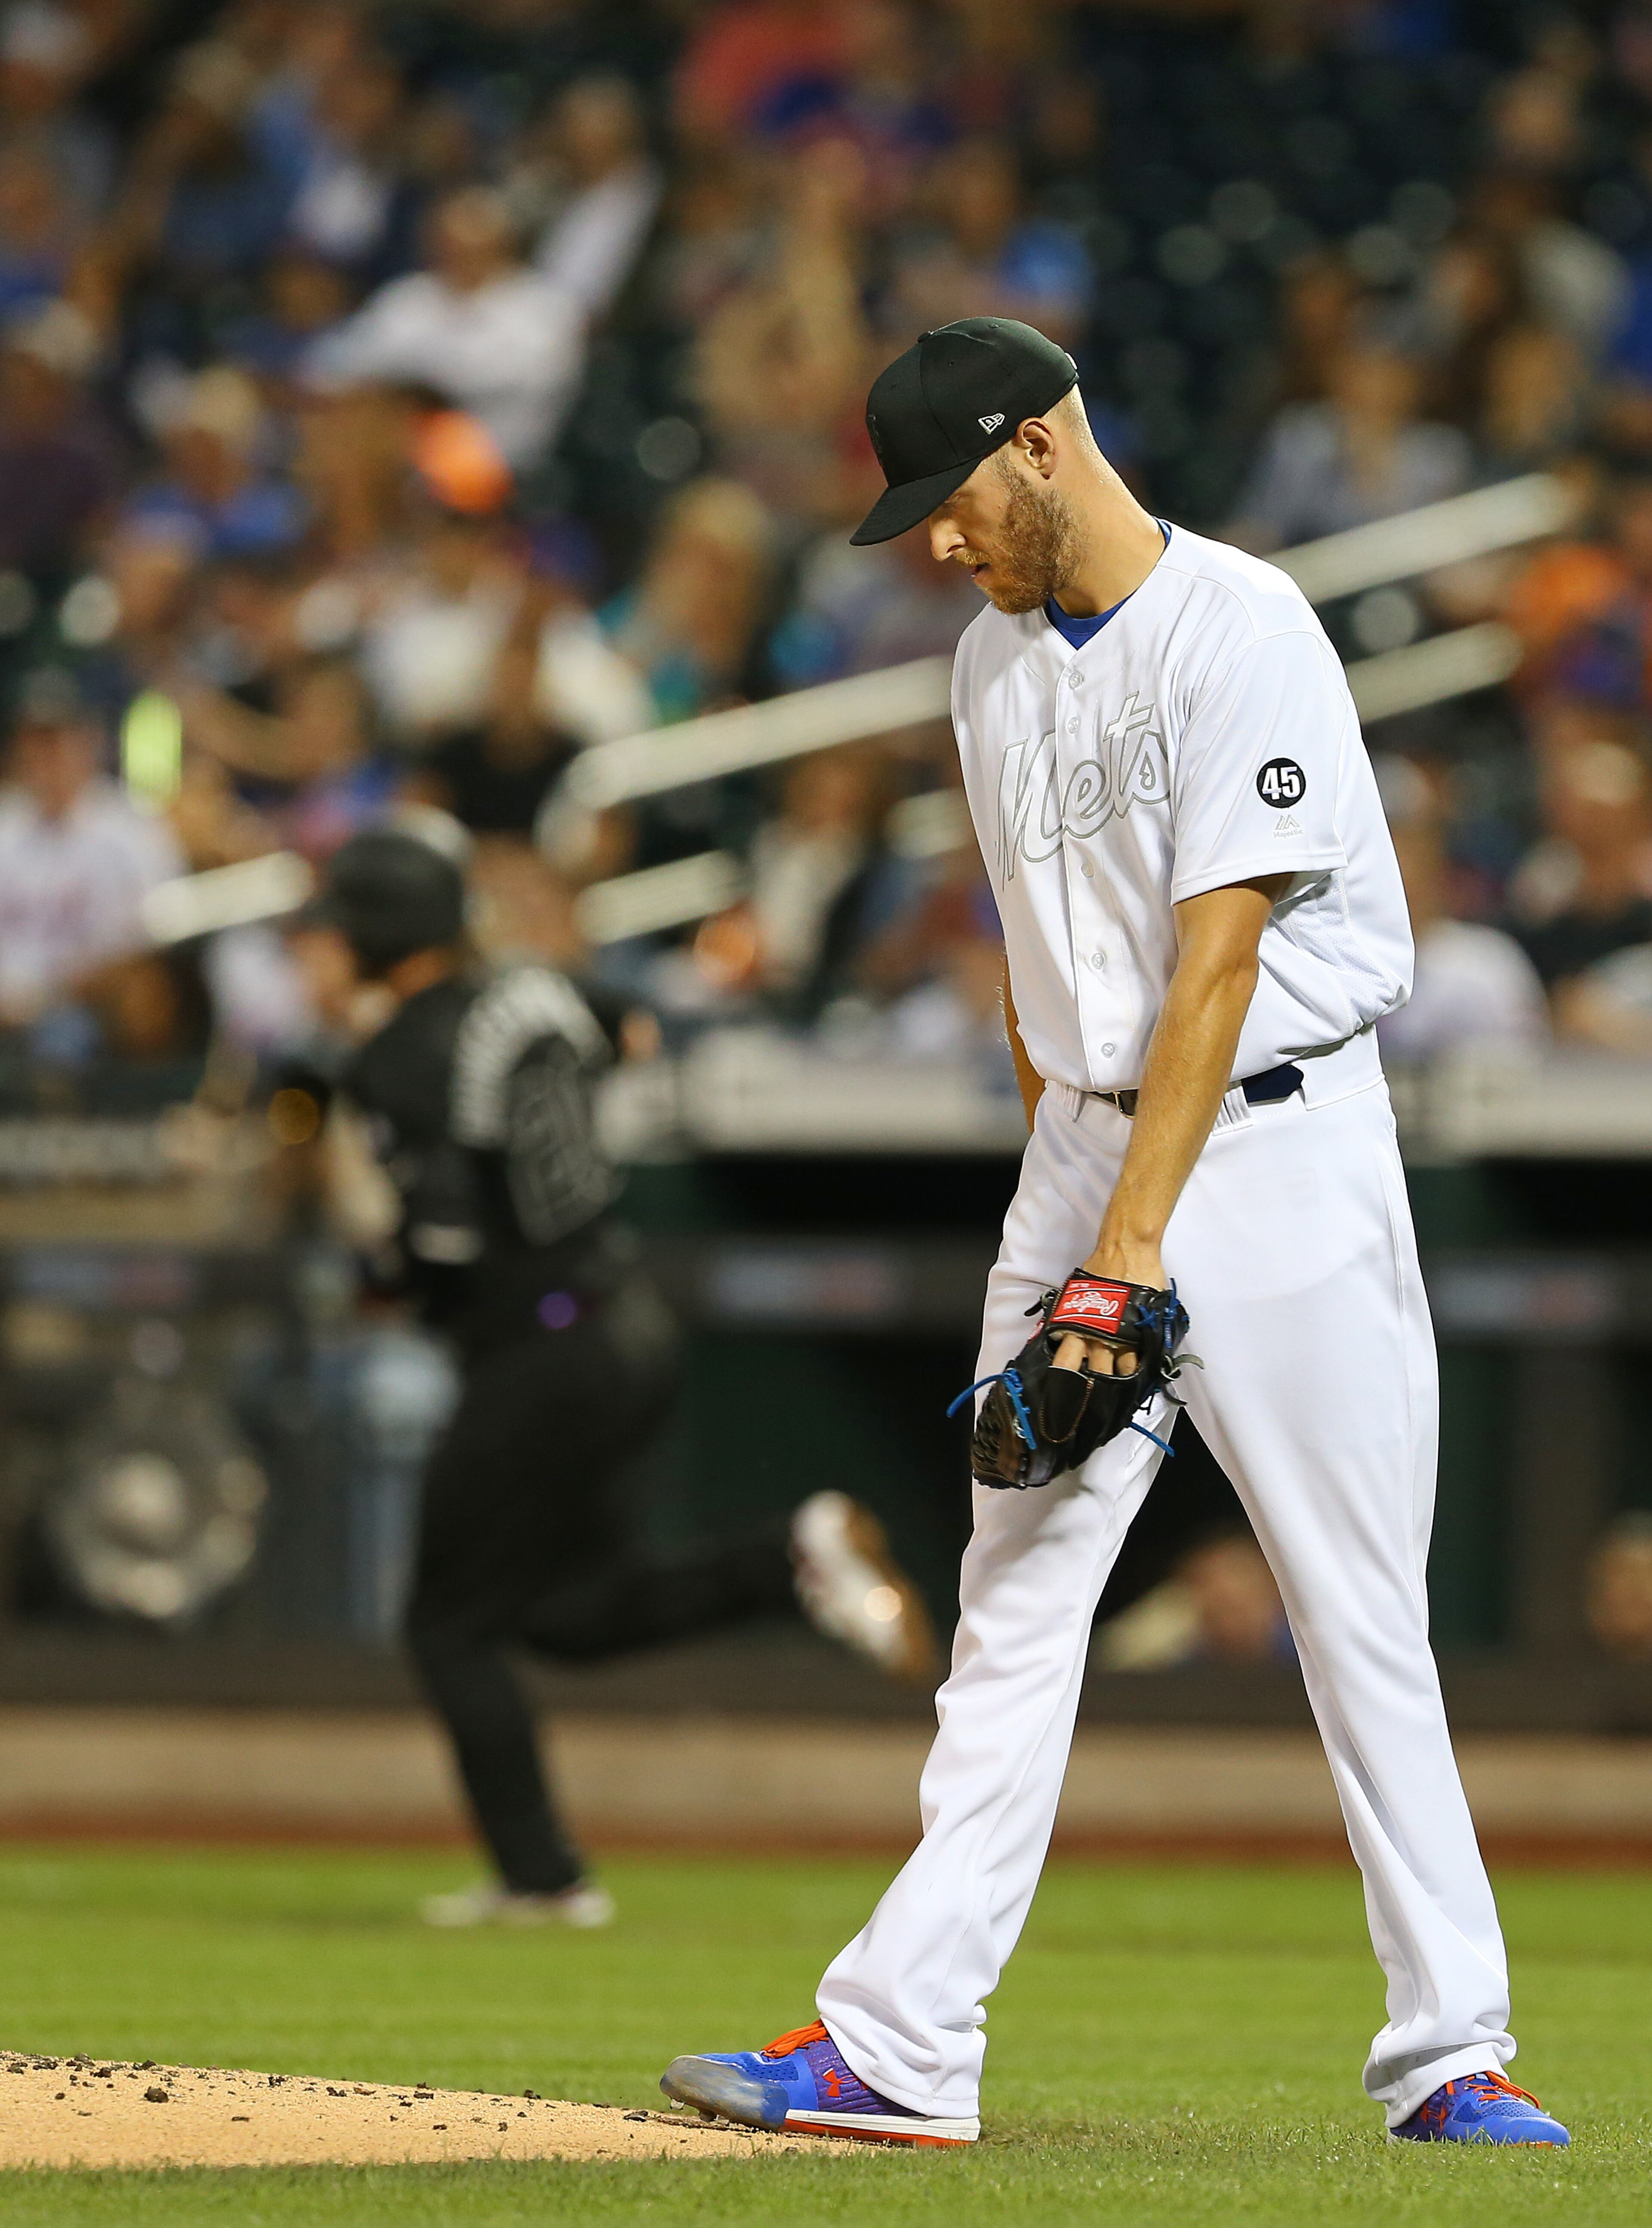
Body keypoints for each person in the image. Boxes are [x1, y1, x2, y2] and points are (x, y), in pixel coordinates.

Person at [660, 317, 1570, 2147]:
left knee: (1354, 1606)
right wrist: (1061, 1198)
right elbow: (1034, 968)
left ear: (1046, 442)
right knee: (1012, 1605)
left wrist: (1128, 1247)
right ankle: (901, 2044)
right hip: (1094, 1155)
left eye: (954, 496)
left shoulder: (1248, 627)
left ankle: (1454, 2049)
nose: (938, 540)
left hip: (1272, 1156)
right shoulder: (989, 673)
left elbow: (1221, 962)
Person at [289, 829, 937, 1928]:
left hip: (538, 1349)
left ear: (376, 932)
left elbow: (440, 1248)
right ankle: (789, 1558)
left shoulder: (396, 1053)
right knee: (566, 1614)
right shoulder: (540, 991)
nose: (312, 950)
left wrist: (378, 1270)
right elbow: (629, 1031)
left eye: (329, 928)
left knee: (447, 1625)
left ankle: (542, 1881)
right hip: (616, 1322)